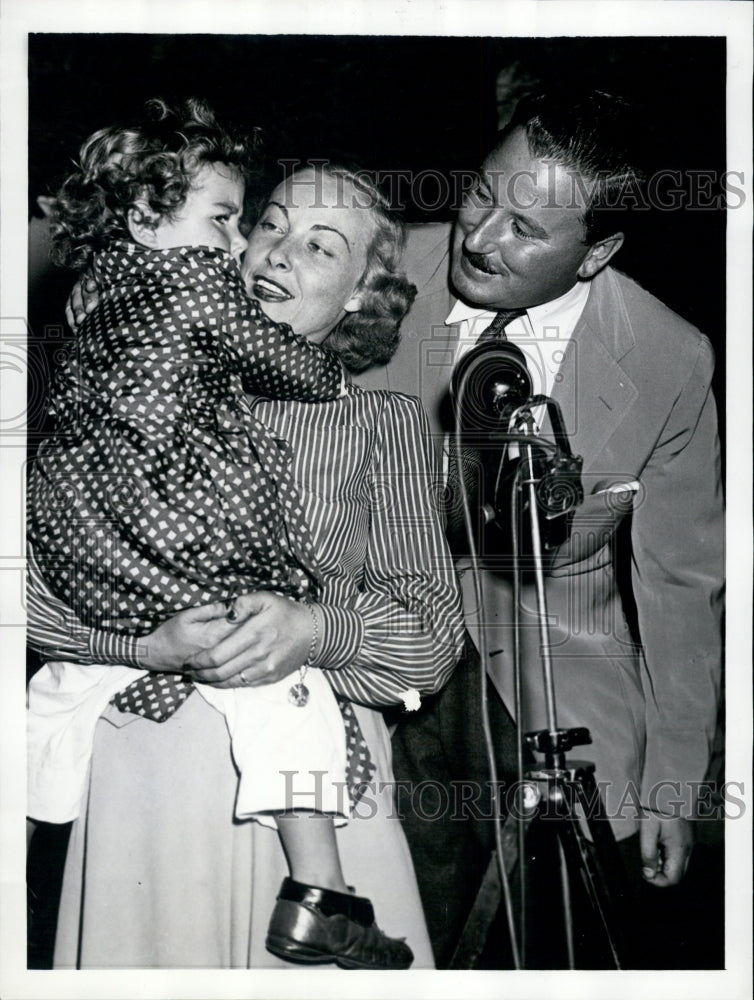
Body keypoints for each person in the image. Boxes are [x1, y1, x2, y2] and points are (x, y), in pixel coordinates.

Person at [27, 157, 464, 968]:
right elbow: (29, 591)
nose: (276, 253)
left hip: (313, 786)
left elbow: (433, 637)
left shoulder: (379, 421)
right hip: (136, 774)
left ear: (364, 294)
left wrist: (316, 630)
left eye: (320, 247)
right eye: (267, 225)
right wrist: (137, 647)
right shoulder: (120, 375)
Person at [355, 88, 724, 966]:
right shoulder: (370, 266)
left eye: (525, 227)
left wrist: (678, 784)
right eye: (481, 195)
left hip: (560, 676)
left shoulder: (673, 359)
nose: (479, 238)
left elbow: (680, 584)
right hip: (367, 644)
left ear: (597, 252)